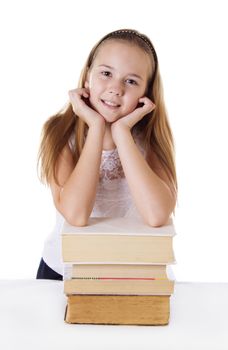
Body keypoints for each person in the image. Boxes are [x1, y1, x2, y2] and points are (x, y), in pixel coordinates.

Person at [36, 29, 178, 280]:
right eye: (106, 73)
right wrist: (96, 127)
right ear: (88, 76)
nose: (115, 89)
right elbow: (77, 215)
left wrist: (122, 133)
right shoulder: (59, 132)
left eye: (131, 81)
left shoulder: (150, 140)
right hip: (63, 271)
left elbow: (156, 215)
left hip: (132, 272)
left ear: (146, 93)